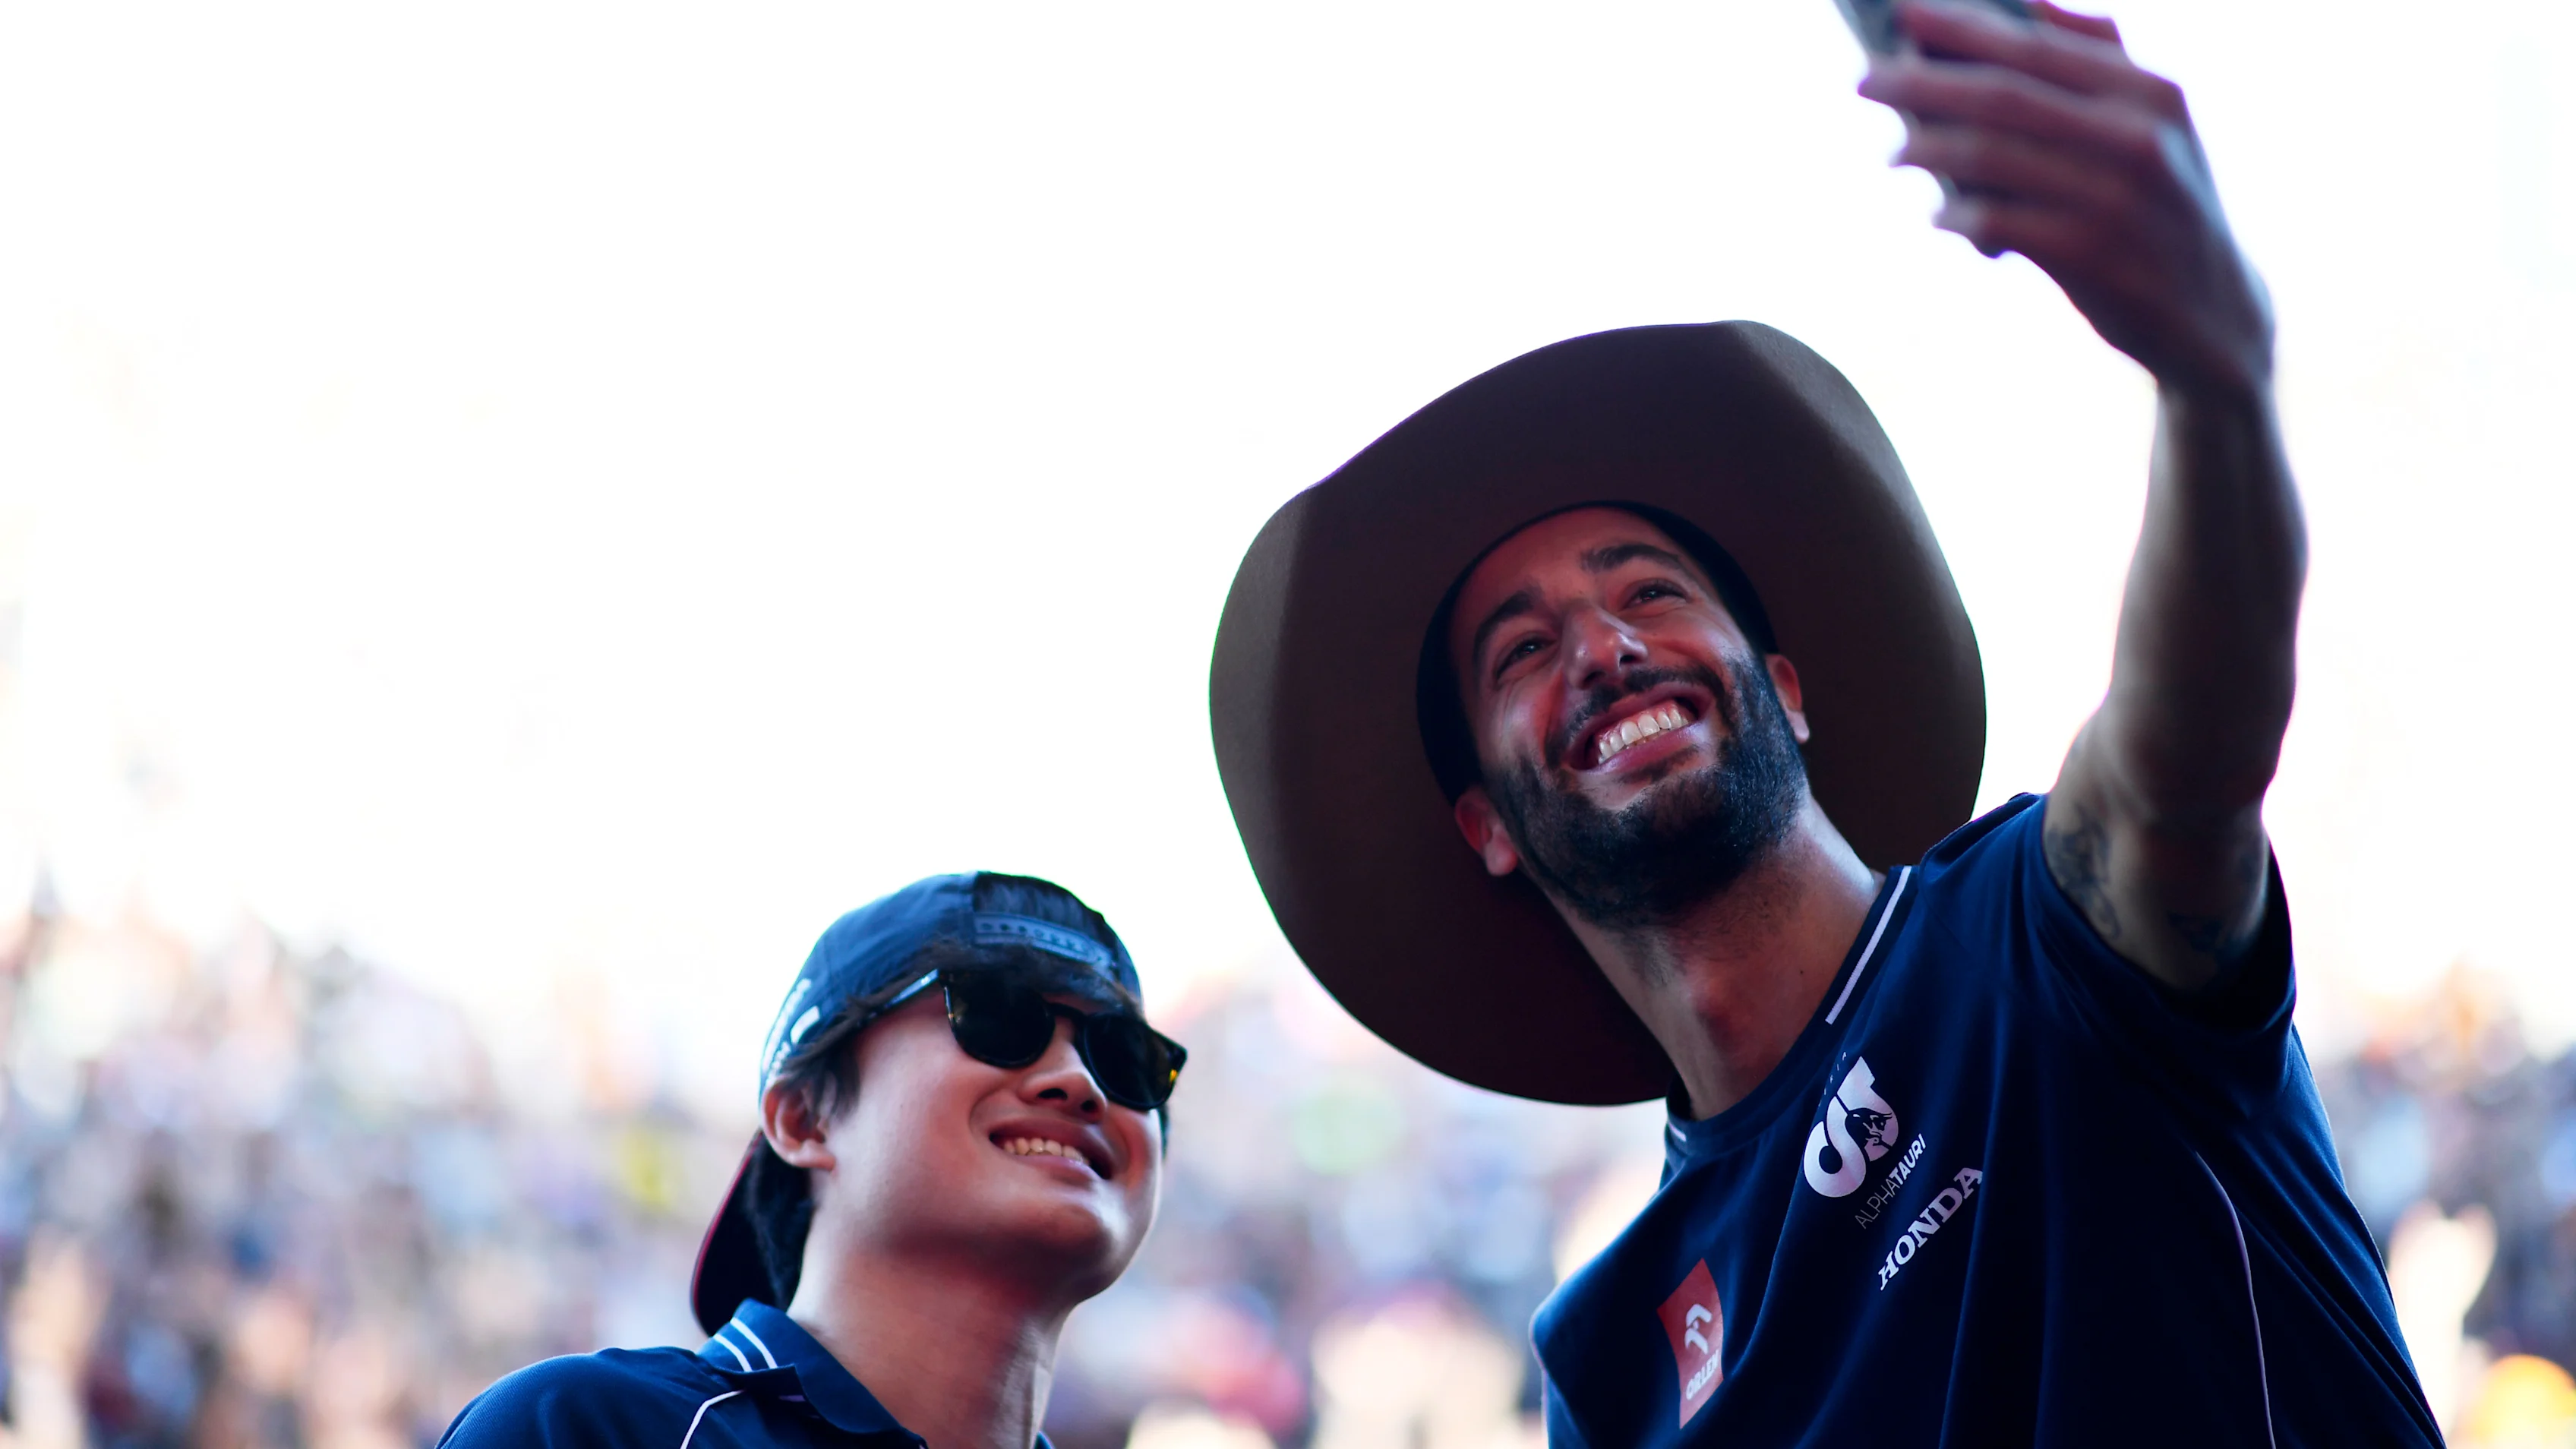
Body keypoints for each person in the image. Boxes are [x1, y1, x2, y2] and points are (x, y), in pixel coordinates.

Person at [1209, 2, 2436, 1444]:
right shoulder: (1609, 1362)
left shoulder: (2046, 935)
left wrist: (2214, 379)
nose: (1602, 648)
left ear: (1783, 686)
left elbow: (2188, 747)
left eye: (1650, 592)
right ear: (1485, 820)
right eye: (1521, 651)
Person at [436, 873, 1186, 1449]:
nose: (1080, 1082)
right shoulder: (590, 1429)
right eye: (994, 1016)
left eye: (1127, 1059)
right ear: (802, 1119)